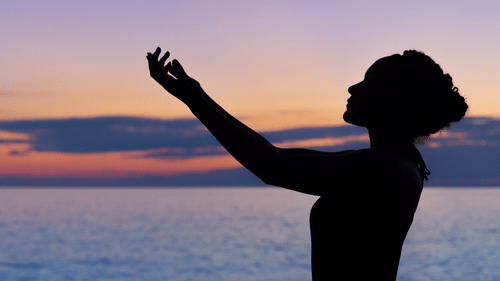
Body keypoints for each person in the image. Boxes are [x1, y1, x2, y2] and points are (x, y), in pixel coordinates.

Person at [146, 47, 468, 280]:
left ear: (391, 98)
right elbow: (277, 156)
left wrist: (196, 101)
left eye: (367, 82)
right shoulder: (393, 163)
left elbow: (271, 166)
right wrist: (198, 97)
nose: (352, 88)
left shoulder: (383, 169)